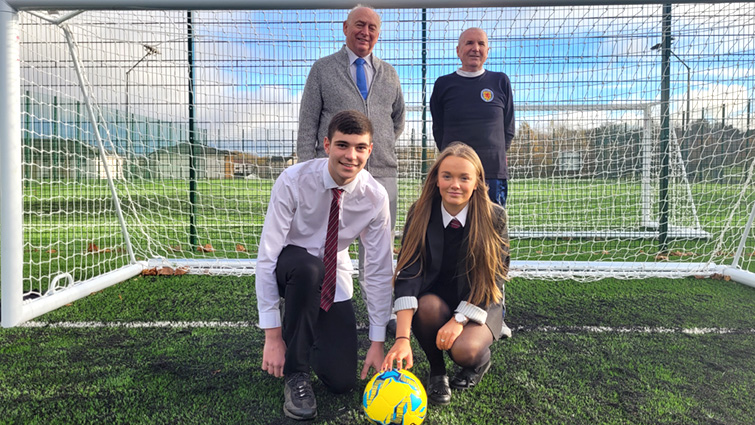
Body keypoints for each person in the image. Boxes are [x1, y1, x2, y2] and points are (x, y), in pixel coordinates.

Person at [257, 110, 394, 421]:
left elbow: (377, 269)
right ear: (327, 144)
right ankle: (296, 375)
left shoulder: (374, 197)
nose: (351, 155)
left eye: (360, 147)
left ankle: (305, 323)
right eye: (343, 145)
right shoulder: (293, 181)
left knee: (341, 380)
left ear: (370, 150)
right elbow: (267, 256)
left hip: (334, 272)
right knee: (308, 270)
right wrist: (273, 337)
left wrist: (377, 341)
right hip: (291, 265)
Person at [381, 142, 510, 406]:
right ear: (436, 180)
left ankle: (479, 362)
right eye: (447, 176)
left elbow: (493, 278)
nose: (455, 184)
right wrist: (402, 338)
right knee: (425, 306)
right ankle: (437, 372)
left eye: (464, 177)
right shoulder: (420, 212)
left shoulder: (494, 217)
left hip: (480, 299)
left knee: (465, 350)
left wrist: (460, 319)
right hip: (436, 299)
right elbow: (408, 273)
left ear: (477, 183)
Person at [297, 5, 405, 230]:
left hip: (382, 173)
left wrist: (376, 147)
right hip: (332, 173)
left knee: (378, 248)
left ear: (378, 35)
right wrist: (308, 169)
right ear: (345, 28)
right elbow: (308, 123)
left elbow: (397, 120)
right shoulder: (322, 69)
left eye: (372, 27)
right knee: (325, 243)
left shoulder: (390, 74)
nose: (365, 31)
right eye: (360, 24)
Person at [430, 27, 515, 207]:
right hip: (455, 176)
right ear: (458, 51)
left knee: (491, 231)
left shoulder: (500, 81)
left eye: (481, 44)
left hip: (491, 174)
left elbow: (508, 127)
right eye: (469, 43)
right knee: (455, 229)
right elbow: (438, 128)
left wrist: (495, 154)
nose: (475, 48)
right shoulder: (443, 84)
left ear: (487, 51)